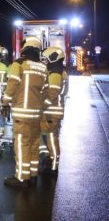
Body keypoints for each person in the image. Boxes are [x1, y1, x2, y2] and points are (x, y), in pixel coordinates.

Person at [1, 36, 48, 187]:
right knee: (34, 143)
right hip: (37, 113)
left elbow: (12, 84)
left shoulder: (19, 63)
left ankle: (21, 177)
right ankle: (32, 174)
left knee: (22, 145)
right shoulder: (43, 67)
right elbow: (45, 91)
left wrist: (5, 101)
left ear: (25, 48)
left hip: (22, 112)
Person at [39, 46, 68, 175]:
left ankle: (53, 166)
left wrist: (42, 105)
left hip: (52, 111)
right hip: (52, 110)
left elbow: (53, 93)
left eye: (45, 59)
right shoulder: (56, 71)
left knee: (51, 137)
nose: (44, 62)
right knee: (48, 136)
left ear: (53, 58)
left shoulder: (55, 73)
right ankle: (49, 160)